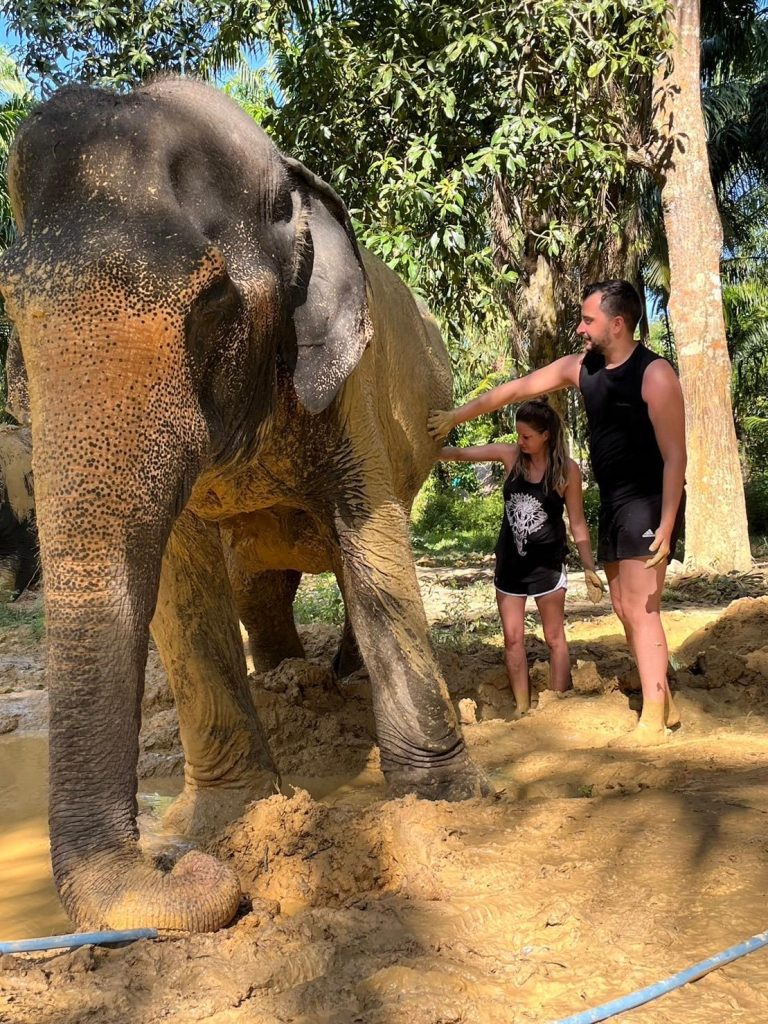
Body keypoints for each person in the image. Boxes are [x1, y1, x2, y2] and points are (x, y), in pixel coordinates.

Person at [428, 280, 687, 747]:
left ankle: (653, 715)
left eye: (588, 320)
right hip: (612, 502)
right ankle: (662, 699)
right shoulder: (580, 368)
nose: (580, 328)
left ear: (618, 323)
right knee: (623, 607)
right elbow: (516, 389)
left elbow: (675, 458)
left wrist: (667, 524)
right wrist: (454, 418)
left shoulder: (654, 375)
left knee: (643, 608)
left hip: (648, 501)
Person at [438, 398, 604, 715]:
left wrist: (589, 567)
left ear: (546, 436)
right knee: (512, 640)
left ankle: (557, 705)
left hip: (548, 568)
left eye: (527, 436)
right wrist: (423, 449)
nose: (520, 441)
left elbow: (578, 523)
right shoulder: (510, 456)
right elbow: (460, 454)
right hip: (510, 567)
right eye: (518, 435)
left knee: (554, 638)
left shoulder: (567, 471)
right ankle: (521, 708)